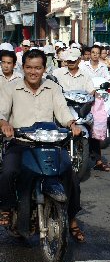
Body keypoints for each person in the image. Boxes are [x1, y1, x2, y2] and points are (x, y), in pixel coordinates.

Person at [0, 49, 85, 242]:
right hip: (21, 143)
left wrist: (72, 124)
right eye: (29, 67)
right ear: (23, 68)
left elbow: (62, 110)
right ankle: (7, 208)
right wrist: (4, 124)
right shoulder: (11, 88)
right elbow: (2, 112)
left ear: (44, 69)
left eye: (37, 68)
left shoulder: (53, 88)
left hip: (50, 143)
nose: (33, 72)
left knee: (71, 177)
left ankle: (71, 219)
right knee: (8, 171)